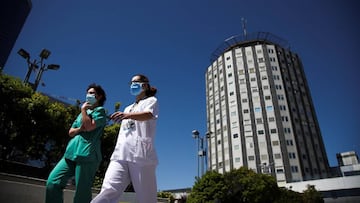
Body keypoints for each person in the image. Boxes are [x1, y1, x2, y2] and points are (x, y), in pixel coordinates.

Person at [91, 74, 159, 203]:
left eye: (136, 82)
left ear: (144, 85)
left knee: (146, 197)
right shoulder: (128, 108)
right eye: (131, 82)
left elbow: (148, 114)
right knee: (108, 189)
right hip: (121, 154)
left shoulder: (151, 101)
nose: (132, 85)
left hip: (141, 155)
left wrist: (127, 115)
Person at [45, 83, 107, 203]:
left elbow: (89, 127)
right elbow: (71, 132)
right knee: (53, 182)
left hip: (87, 156)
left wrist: (83, 110)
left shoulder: (100, 111)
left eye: (91, 93)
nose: (88, 95)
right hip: (70, 154)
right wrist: (79, 129)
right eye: (87, 93)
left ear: (99, 97)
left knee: (81, 192)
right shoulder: (81, 115)